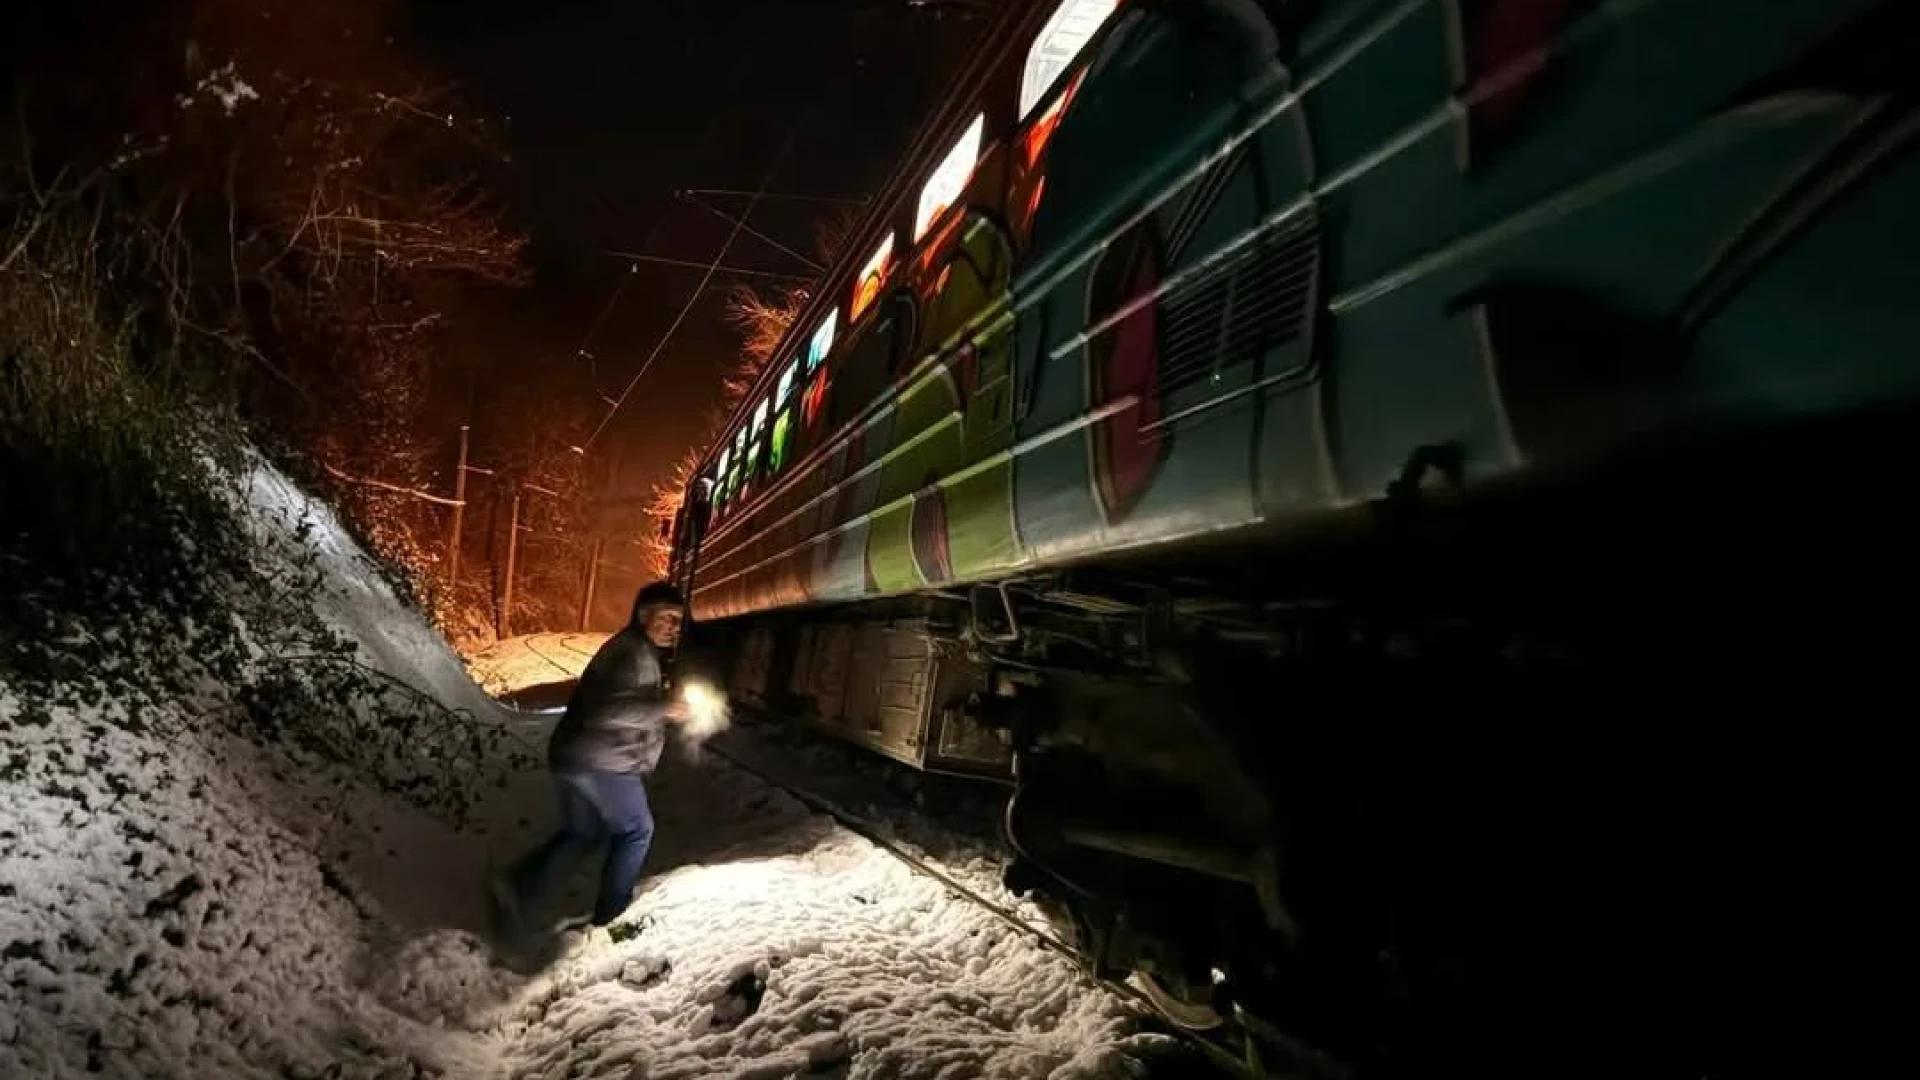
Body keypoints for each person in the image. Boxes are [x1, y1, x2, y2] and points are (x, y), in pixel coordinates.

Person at [490, 581, 690, 939]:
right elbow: (605, 711)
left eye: (679, 620)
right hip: (603, 763)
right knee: (637, 831)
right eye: (668, 618)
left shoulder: (632, 650)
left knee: (582, 834)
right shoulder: (632, 654)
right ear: (644, 616)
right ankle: (611, 918)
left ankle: (516, 887)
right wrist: (664, 709)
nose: (675, 627)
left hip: (573, 756)